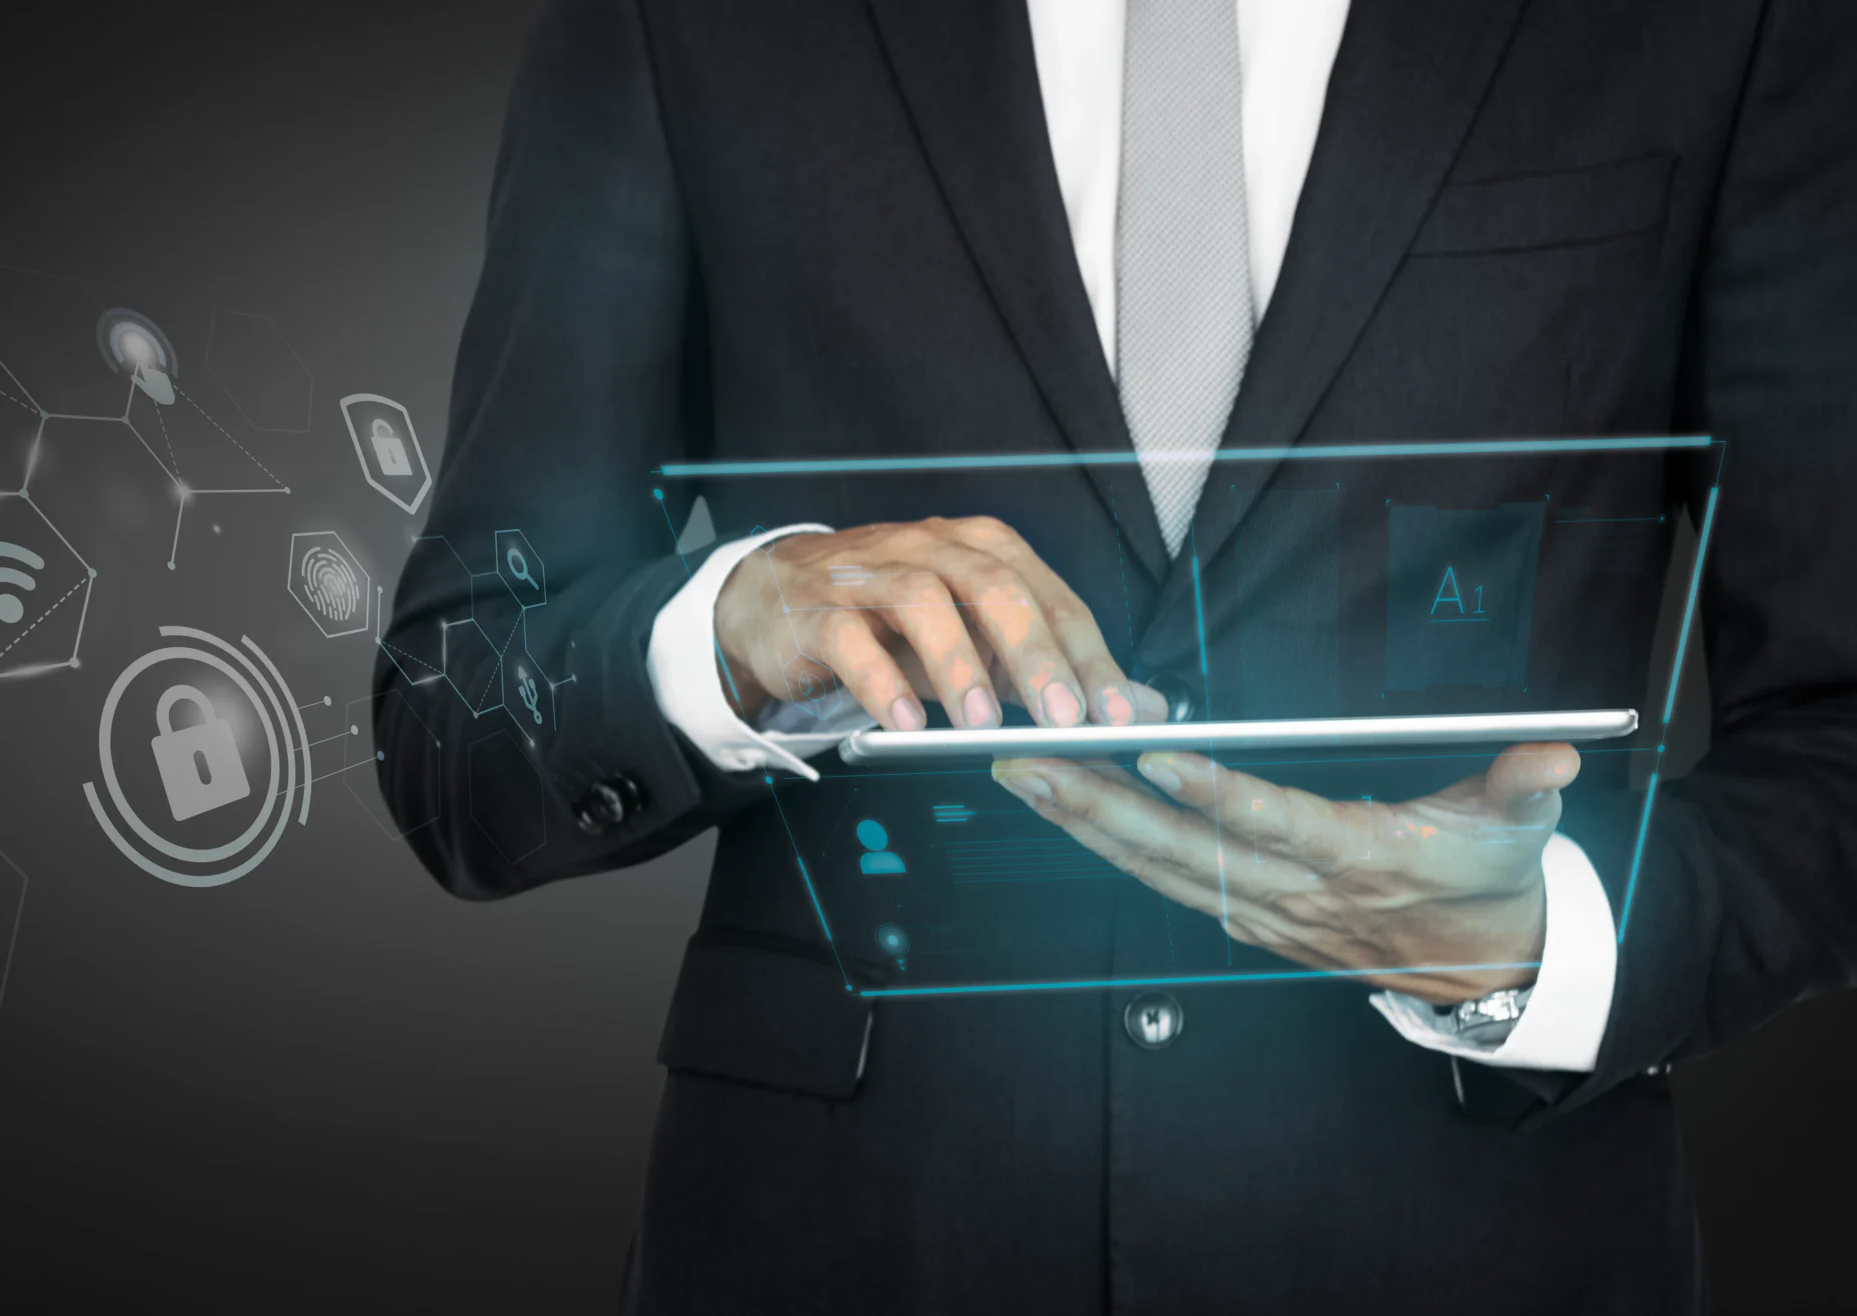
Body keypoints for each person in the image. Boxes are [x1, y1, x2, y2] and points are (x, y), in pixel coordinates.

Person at [375, 0, 1854, 1309]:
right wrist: (726, 633)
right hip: (843, 1243)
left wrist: (1549, 948)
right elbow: (450, 726)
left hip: (1481, 1246)